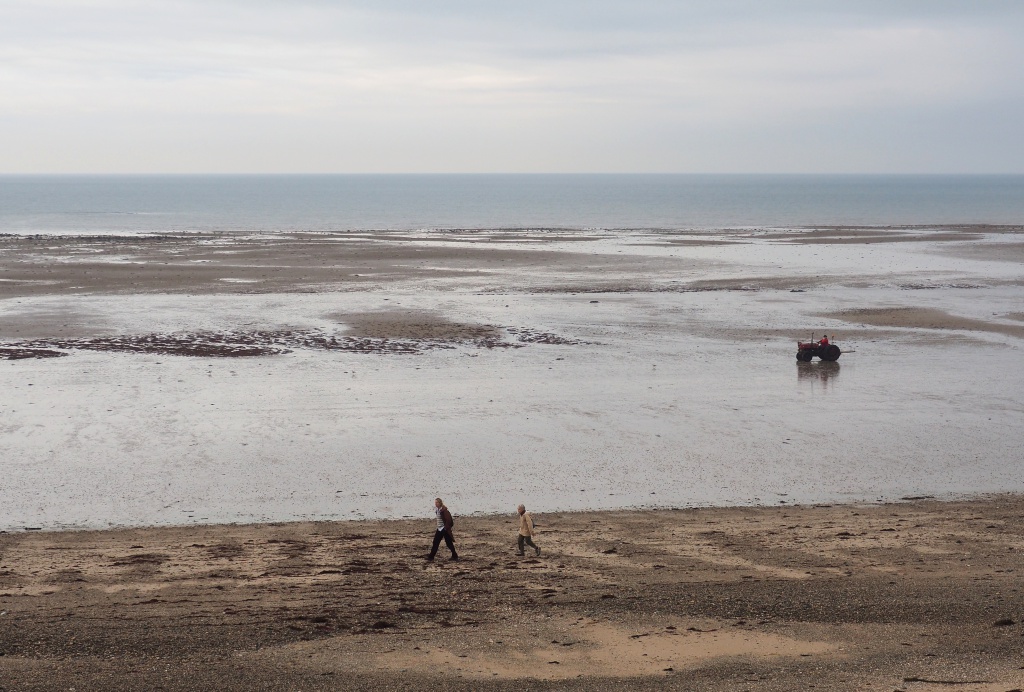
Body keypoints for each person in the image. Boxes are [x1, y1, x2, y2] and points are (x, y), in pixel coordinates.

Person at [427, 497, 458, 561]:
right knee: (435, 542)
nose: (436, 504)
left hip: (444, 529)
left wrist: (445, 528)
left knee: (449, 543)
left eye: (437, 502)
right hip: (439, 529)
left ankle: (455, 555)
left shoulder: (444, 511)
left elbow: (449, 520)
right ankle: (431, 557)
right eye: (435, 502)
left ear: (440, 503)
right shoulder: (437, 510)